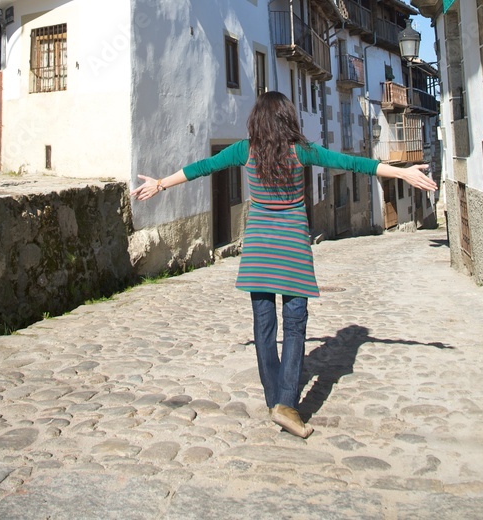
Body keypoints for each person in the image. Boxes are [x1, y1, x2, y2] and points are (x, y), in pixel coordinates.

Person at [131, 91, 436, 439]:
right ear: (289, 119)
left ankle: (275, 398)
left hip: (259, 251)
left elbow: (202, 168)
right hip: (293, 252)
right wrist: (401, 173)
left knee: (264, 329)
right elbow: (353, 163)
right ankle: (287, 404)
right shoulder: (302, 151)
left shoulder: (245, 150)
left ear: (257, 121)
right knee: (294, 328)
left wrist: (161, 184)